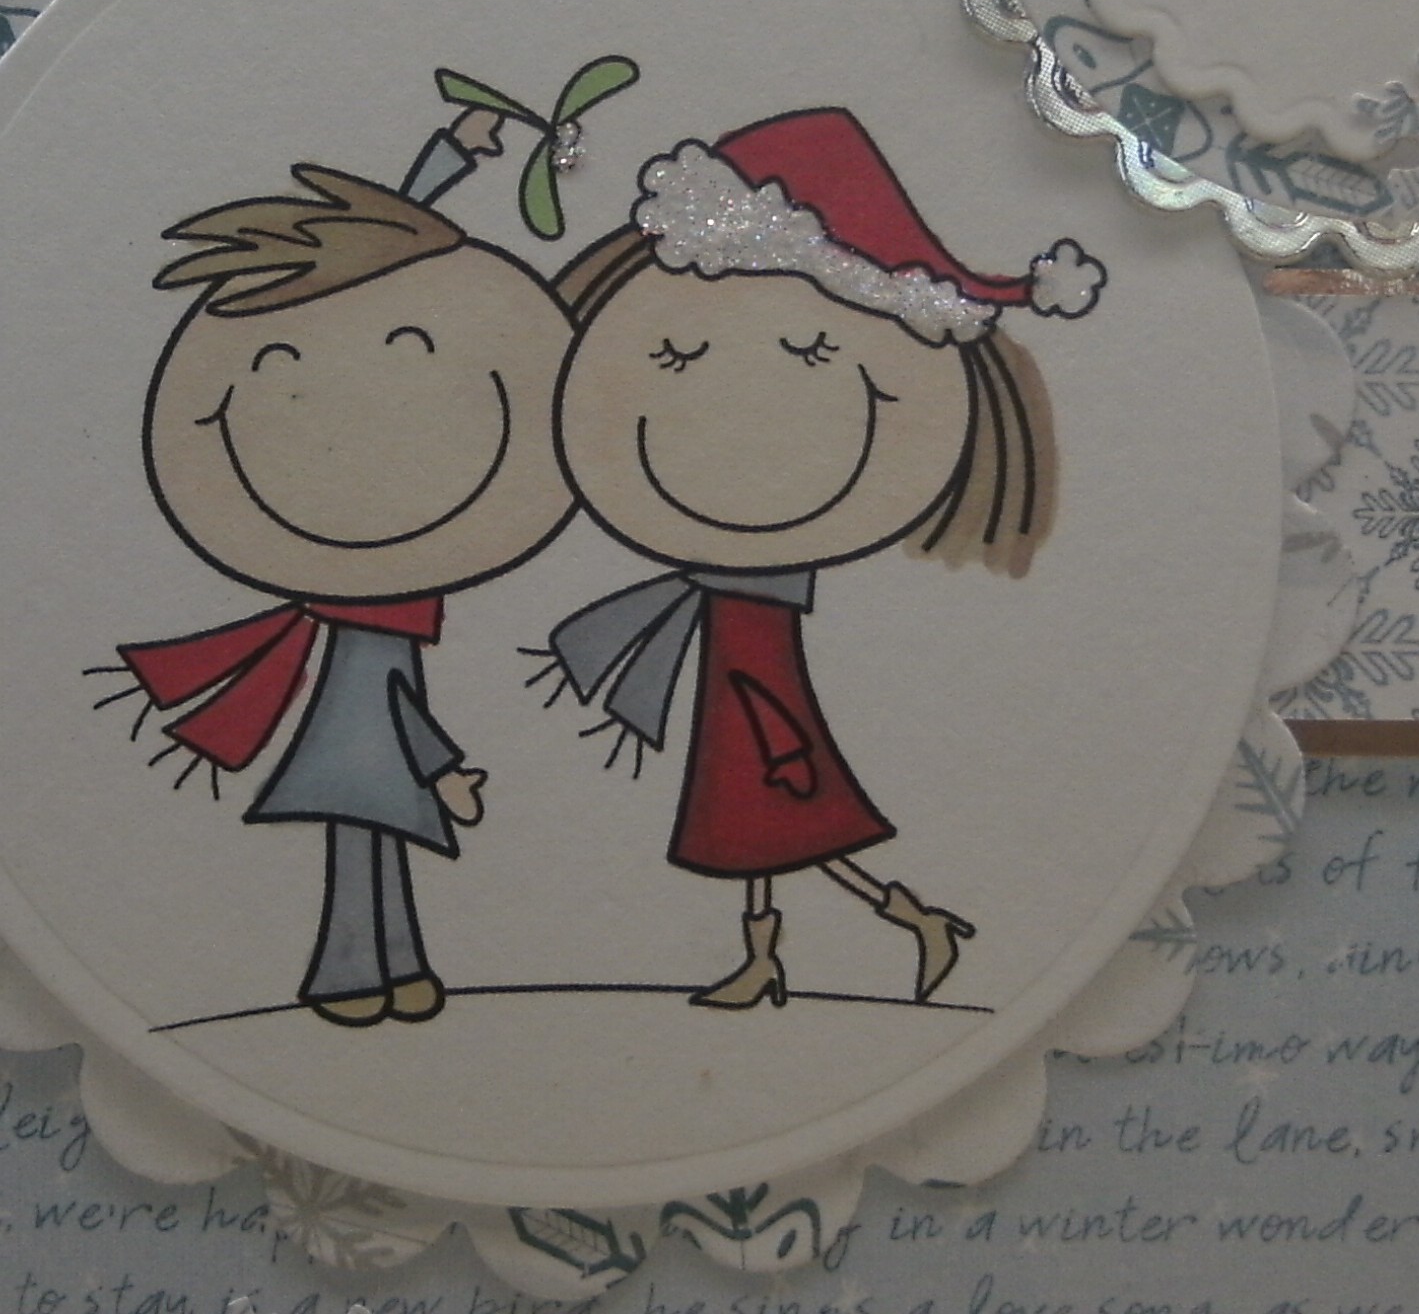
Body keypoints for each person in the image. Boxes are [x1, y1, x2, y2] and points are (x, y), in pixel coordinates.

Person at [530, 106, 1105, 1009]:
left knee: (768, 828)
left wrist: (777, 736)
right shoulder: (724, 582)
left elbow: (760, 672)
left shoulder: (752, 590)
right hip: (744, 692)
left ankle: (884, 925)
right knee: (756, 833)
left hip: (756, 700)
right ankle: (813, 946)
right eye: (675, 355)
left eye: (813, 354)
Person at [100, 163, 574, 1027]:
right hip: (357, 763)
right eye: (277, 368)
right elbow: (385, 704)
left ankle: (384, 968)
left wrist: (450, 157)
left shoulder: (385, 616)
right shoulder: (375, 626)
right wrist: (445, 769)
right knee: (364, 859)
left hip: (362, 762)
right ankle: (353, 974)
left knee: (370, 858)